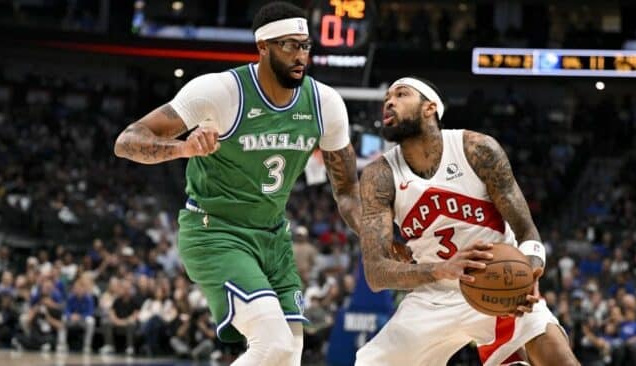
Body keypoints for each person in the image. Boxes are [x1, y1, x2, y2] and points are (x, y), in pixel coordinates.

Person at [113, 2, 360, 364]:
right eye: (289, 45)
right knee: (272, 343)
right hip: (216, 232)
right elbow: (127, 141)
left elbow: (347, 188)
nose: (300, 56)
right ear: (263, 47)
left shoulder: (325, 104)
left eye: (305, 45)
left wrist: (375, 238)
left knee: (290, 352)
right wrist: (182, 148)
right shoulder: (220, 92)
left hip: (274, 237)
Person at [355, 77, 578, 365]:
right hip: (432, 297)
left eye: (401, 94)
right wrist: (442, 270)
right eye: (387, 97)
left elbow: (526, 230)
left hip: (499, 284)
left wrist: (530, 271)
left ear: (429, 108)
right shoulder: (380, 174)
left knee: (560, 360)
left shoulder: (477, 149)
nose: (389, 102)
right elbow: (376, 273)